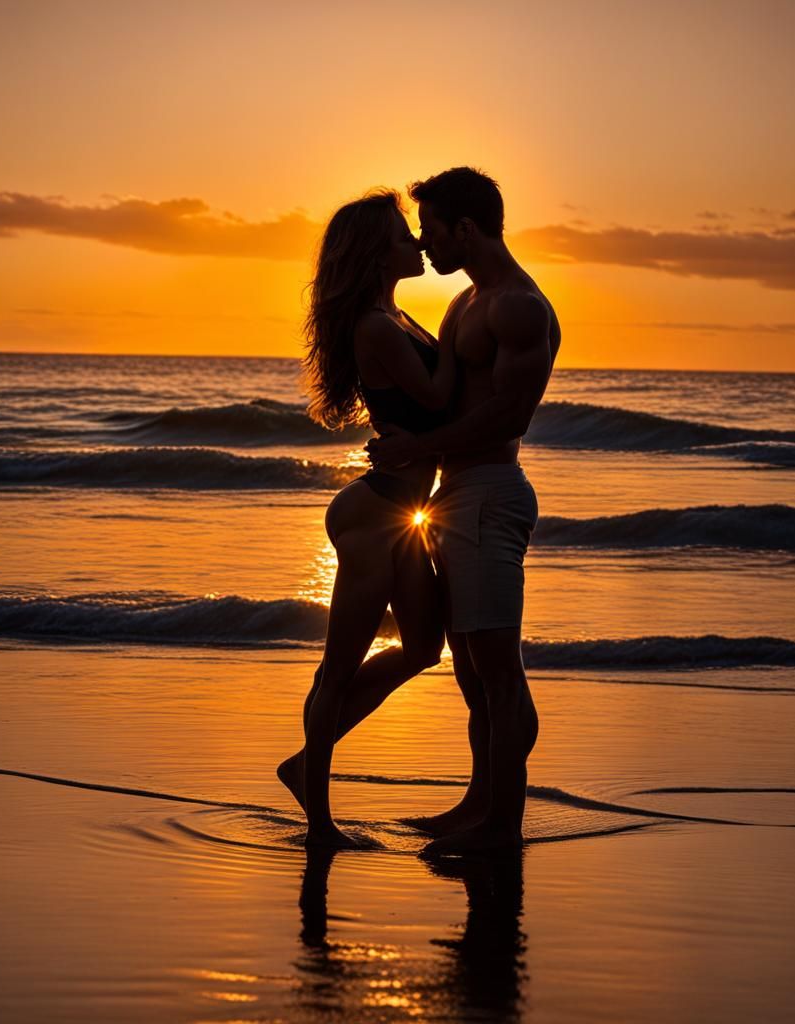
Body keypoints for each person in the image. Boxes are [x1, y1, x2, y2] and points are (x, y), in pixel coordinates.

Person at [367, 167, 561, 855]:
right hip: (454, 498)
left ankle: (501, 827)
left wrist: (420, 445)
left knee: (498, 671)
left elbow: (509, 412)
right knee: (472, 673)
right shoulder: (462, 306)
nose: (425, 243)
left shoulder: (519, 308)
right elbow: (443, 395)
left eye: (432, 229)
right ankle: (479, 805)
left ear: (466, 228)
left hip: (491, 492)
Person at [278, 188, 456, 849]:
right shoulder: (377, 328)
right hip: (374, 515)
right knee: (336, 668)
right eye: (401, 231)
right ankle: (319, 820)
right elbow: (440, 395)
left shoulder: (395, 316)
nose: (415, 240)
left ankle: (304, 763)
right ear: (375, 252)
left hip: (397, 512)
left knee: (421, 649)